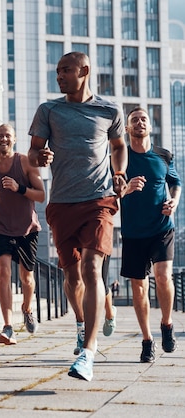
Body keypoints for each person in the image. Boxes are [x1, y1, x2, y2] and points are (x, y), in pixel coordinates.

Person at [28, 52, 128, 381]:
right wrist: (39, 156)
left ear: (84, 71)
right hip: (61, 203)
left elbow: (117, 145)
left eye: (66, 70)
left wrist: (119, 171)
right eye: (57, 71)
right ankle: (82, 323)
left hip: (99, 200)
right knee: (72, 279)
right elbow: (33, 152)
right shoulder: (49, 110)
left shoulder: (110, 109)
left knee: (91, 267)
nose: (59, 76)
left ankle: (88, 352)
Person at [120, 107, 181, 362]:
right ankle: (147, 340)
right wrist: (127, 189)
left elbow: (175, 183)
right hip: (133, 233)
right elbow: (108, 191)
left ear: (150, 125)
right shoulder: (119, 158)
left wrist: (174, 202)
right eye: (134, 120)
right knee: (139, 288)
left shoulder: (164, 155)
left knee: (164, 277)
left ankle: (166, 325)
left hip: (161, 228)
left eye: (143, 118)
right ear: (127, 128)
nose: (140, 122)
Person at [0, 124, 45, 344]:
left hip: (27, 229)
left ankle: (27, 308)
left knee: (27, 277)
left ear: (14, 139)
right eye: (0, 136)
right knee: (3, 272)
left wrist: (19, 188)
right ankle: (7, 327)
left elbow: (41, 195)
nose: (3, 139)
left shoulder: (25, 162)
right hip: (2, 228)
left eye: (7, 135)